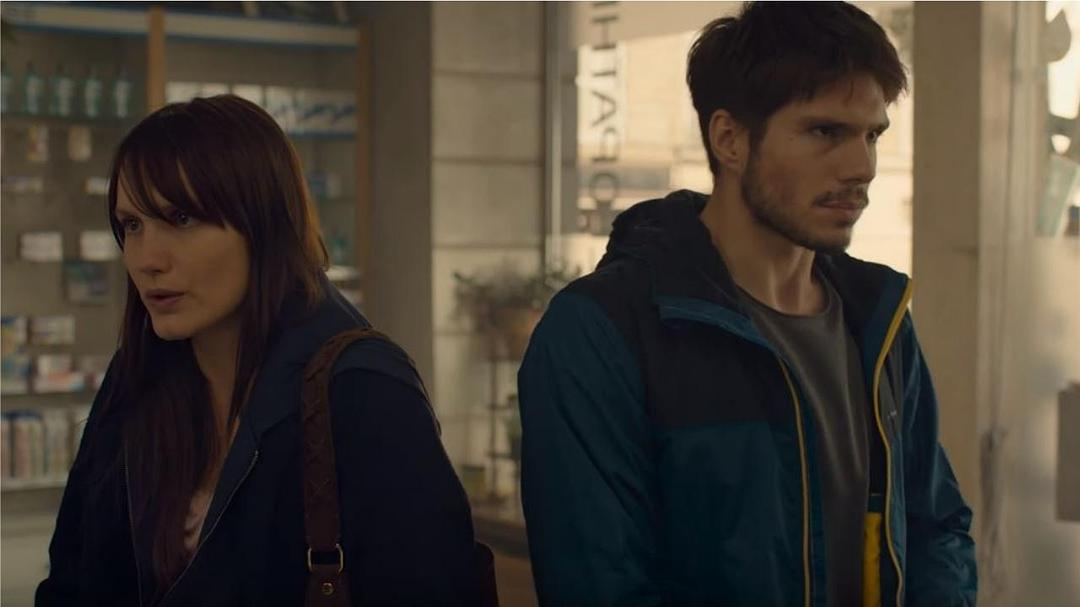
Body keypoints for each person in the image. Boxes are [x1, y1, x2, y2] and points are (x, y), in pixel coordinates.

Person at [518, 3, 977, 606]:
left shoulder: (878, 318)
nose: (861, 167)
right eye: (824, 132)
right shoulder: (603, 331)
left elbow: (935, 527)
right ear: (729, 139)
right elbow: (600, 586)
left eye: (872, 135)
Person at [37, 95, 486, 606]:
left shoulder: (363, 389)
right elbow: (71, 582)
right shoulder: (139, 373)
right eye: (132, 225)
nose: (146, 259)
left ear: (262, 224)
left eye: (180, 218)